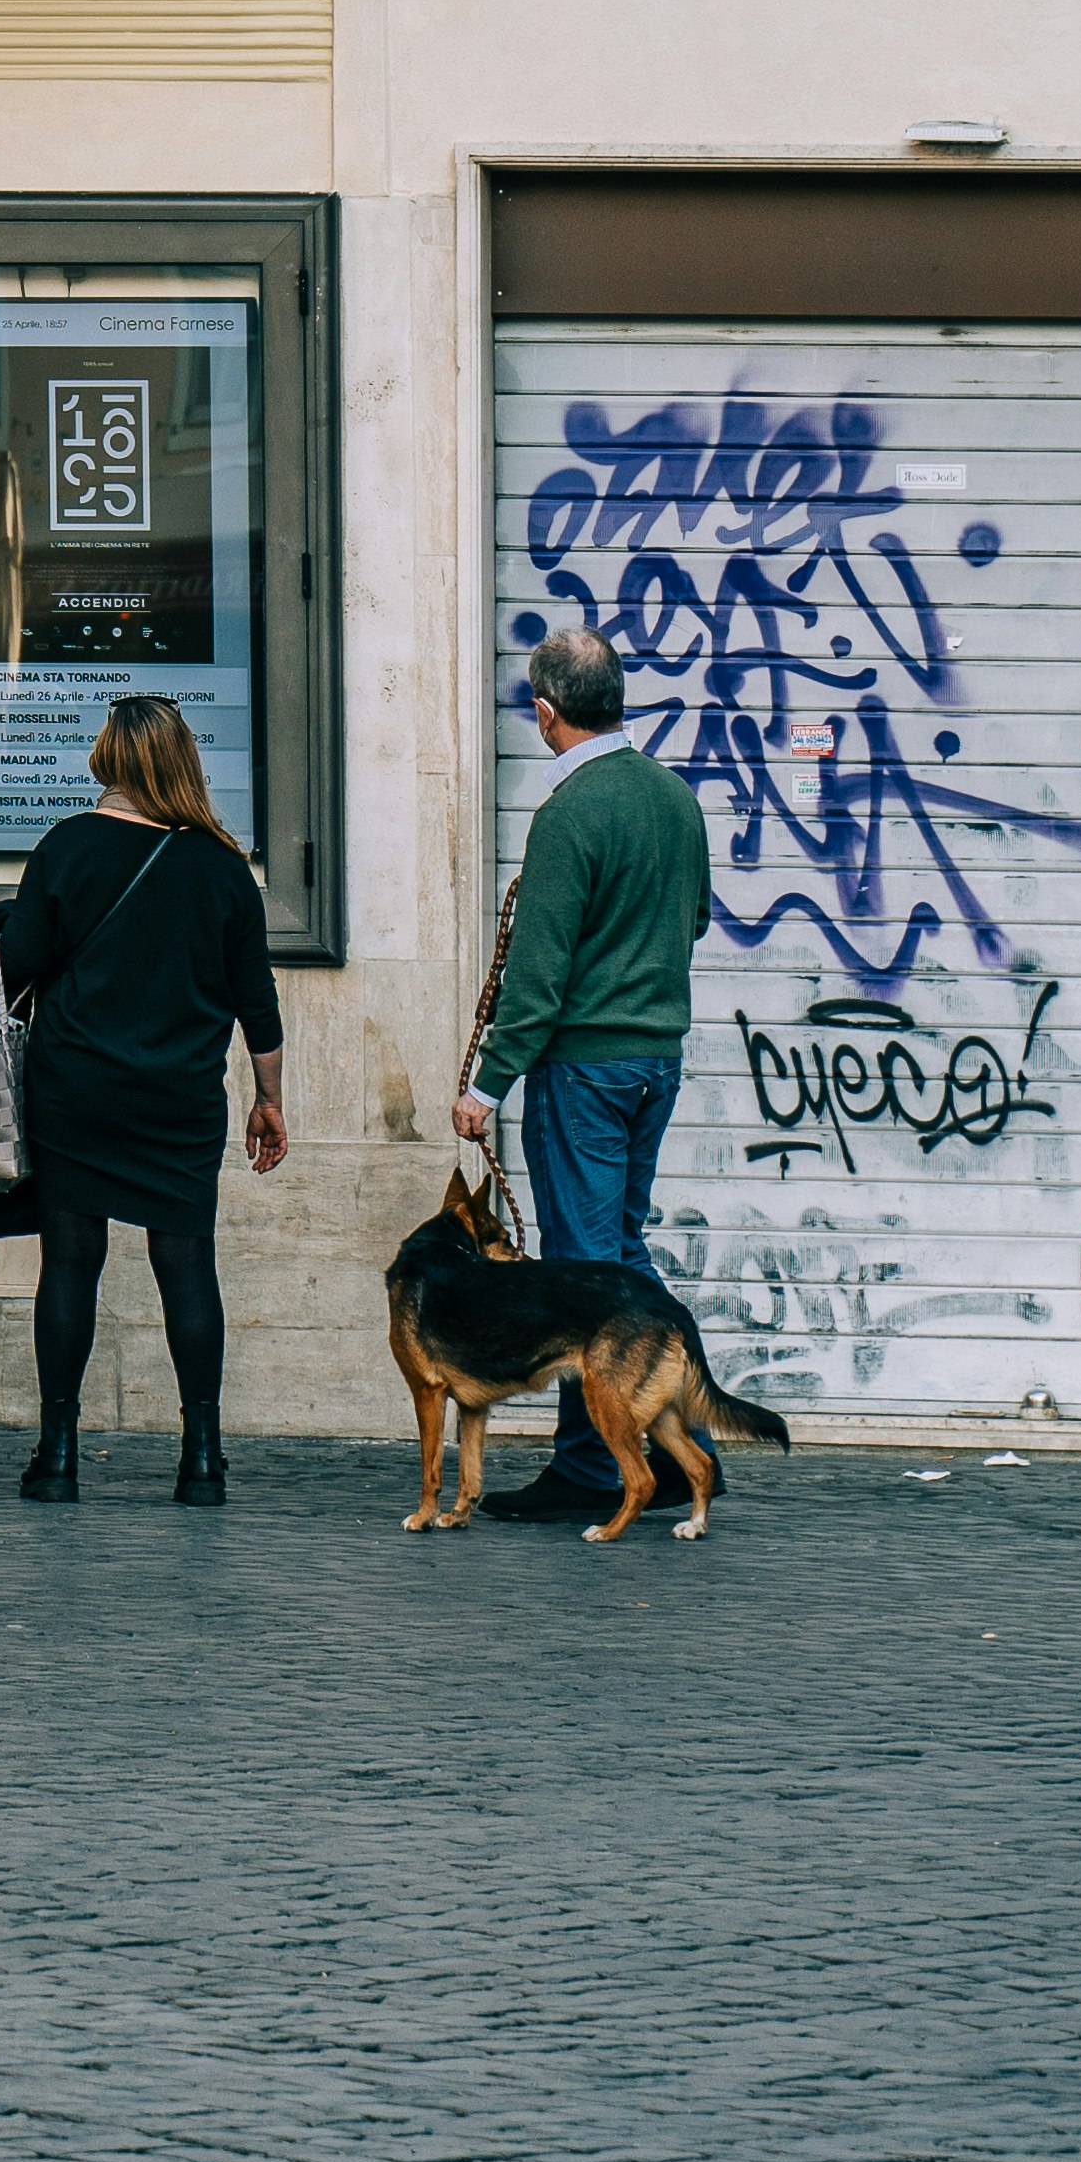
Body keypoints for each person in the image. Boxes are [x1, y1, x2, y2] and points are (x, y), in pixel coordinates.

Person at [453, 622, 719, 1523]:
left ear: (544, 711)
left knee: (578, 1273)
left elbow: (538, 972)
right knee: (624, 1259)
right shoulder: (674, 798)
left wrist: (486, 1085)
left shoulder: (571, 811)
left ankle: (590, 1465)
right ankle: (681, 1454)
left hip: (586, 1072)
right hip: (657, 1063)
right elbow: (696, 920)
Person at [0, 694, 284, 1509]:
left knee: (71, 1263)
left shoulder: (67, 847)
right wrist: (269, 1099)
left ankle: (56, 1458)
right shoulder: (223, 867)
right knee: (187, 1264)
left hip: (75, 1089)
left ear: (107, 761)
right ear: (183, 761)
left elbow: (18, 966)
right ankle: (202, 1462)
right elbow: (256, 1000)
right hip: (179, 1099)